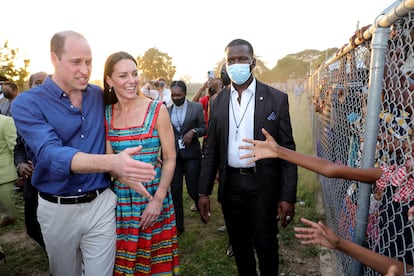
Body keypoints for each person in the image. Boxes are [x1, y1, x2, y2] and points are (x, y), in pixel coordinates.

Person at [10, 30, 156, 276]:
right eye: (76, 62)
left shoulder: (98, 96)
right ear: (55, 59)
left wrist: (150, 150)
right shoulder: (27, 103)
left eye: (89, 62)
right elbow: (50, 154)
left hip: (101, 204)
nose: (85, 70)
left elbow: (128, 114)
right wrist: (113, 163)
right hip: (57, 209)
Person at [239, 128, 414, 275]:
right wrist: (279, 151)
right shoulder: (397, 176)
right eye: (411, 141)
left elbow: (405, 270)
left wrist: (340, 244)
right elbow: (331, 169)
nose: (411, 149)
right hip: (379, 257)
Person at [198, 38, 298, 275]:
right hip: (231, 185)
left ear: (252, 62)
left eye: (242, 59)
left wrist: (287, 195)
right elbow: (211, 149)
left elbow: (287, 151)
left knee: (266, 246)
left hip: (261, 184)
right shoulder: (217, 101)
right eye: (231, 60)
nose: (236, 64)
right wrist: (203, 191)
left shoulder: (276, 98)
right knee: (241, 248)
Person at [103, 51, 179, 275]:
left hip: (153, 198)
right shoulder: (107, 113)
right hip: (121, 204)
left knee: (156, 265)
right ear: (109, 80)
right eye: (123, 76)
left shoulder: (157, 109)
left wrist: (158, 199)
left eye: (134, 74)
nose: (132, 81)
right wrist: (121, 176)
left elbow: (170, 157)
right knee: (123, 264)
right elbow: (109, 162)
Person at [14, 71, 48, 248]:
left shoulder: (57, 113)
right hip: (32, 185)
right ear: (29, 86)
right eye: (38, 82)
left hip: (54, 186)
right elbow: (19, 147)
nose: (42, 86)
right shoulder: (25, 115)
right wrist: (20, 164)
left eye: (46, 82)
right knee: (32, 229)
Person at [168, 80, 206, 236]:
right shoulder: (166, 110)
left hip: (191, 155)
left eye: (179, 95)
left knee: (192, 188)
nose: (176, 98)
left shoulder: (196, 108)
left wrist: (193, 132)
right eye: (173, 95)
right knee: (175, 190)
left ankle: (202, 208)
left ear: (185, 94)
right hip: (174, 156)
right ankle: (179, 226)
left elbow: (204, 128)